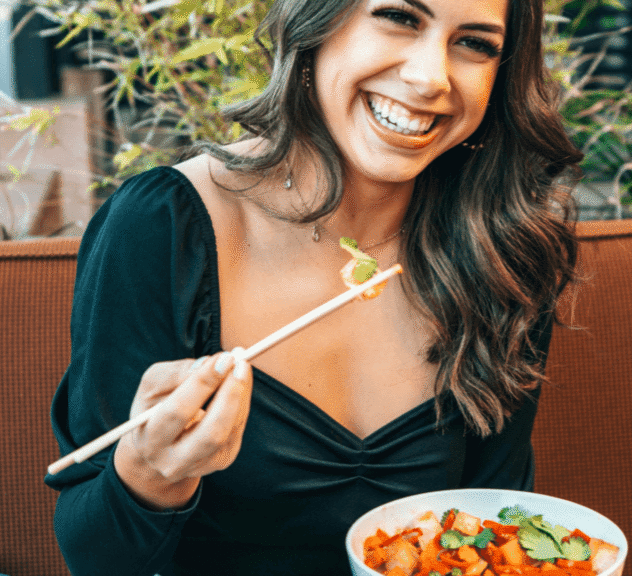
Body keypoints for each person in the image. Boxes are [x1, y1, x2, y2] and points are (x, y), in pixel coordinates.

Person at [44, 0, 583, 574]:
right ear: (315, 24)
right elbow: (93, 558)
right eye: (400, 16)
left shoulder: (504, 253)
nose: (430, 77)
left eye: (475, 43)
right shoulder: (161, 227)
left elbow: (497, 523)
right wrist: (154, 474)